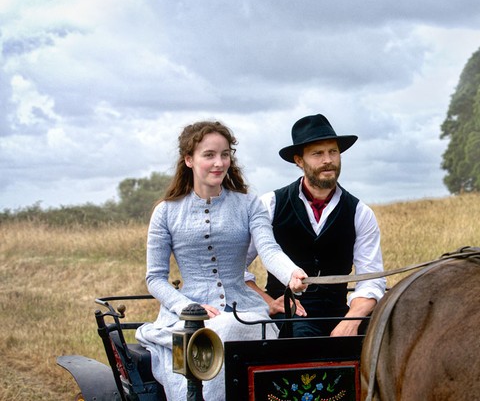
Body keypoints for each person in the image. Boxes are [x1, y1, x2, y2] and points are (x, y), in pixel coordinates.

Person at [136, 120, 307, 401]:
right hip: (186, 318)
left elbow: (269, 249)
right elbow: (155, 278)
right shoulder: (166, 212)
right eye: (209, 155)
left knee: (229, 327)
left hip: (245, 313)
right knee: (196, 351)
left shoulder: (249, 204)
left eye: (225, 154)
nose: (219, 163)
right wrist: (185, 306)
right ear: (189, 160)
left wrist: (291, 274)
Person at [246, 113, 386, 337]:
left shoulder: (360, 213)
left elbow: (372, 278)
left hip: (340, 313)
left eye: (333, 152)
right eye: (317, 154)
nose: (328, 160)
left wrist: (351, 321)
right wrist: (269, 303)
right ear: (299, 161)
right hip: (288, 317)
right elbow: (235, 269)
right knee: (303, 336)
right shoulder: (270, 205)